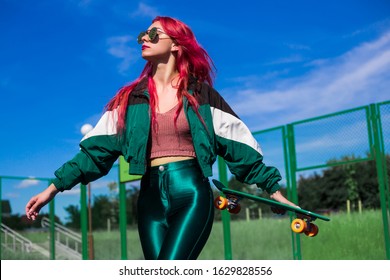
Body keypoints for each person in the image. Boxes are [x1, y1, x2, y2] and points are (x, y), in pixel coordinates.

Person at [25, 16, 298, 260]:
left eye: (154, 34)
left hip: (190, 192)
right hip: (149, 197)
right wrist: (53, 188)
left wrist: (273, 190)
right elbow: (94, 153)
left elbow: (239, 146)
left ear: (177, 45)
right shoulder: (128, 100)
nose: (144, 38)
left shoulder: (202, 96)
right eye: (143, 34)